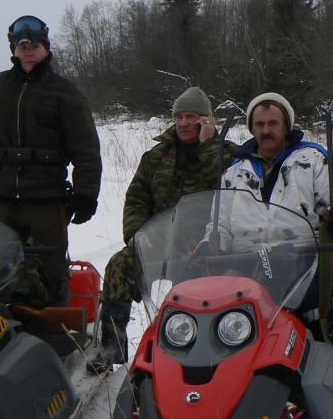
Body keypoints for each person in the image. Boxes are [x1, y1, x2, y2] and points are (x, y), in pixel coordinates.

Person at [87, 86, 237, 373]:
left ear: (206, 120)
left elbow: (225, 186)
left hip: (205, 245)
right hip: (158, 240)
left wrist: (207, 146)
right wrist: (136, 235)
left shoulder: (227, 155)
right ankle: (111, 348)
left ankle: (203, 355)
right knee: (119, 265)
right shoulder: (157, 156)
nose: (182, 123)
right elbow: (137, 197)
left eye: (190, 116)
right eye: (178, 117)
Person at [0, 15, 102, 307]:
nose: (28, 50)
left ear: (45, 46)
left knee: (50, 272)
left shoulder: (65, 93)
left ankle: (57, 341)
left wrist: (86, 194)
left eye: (34, 44)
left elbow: (86, 150)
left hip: (46, 199)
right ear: (13, 50)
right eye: (21, 45)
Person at [220, 91, 333, 342]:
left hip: (303, 263)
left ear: (286, 126)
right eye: (259, 124)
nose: (266, 130)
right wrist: (210, 241)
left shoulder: (314, 160)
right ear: (251, 128)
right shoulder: (235, 172)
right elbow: (219, 223)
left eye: (273, 123)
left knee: (312, 334)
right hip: (246, 264)